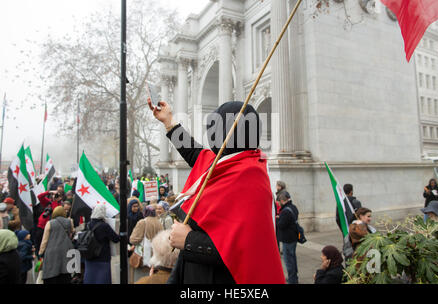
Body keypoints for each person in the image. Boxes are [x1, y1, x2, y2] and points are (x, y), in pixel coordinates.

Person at [148, 98, 285, 284]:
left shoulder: (252, 178)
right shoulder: (225, 162)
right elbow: (194, 153)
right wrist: (169, 122)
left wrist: (189, 239)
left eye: (216, 127)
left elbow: (245, 249)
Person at [83, 204, 120, 284]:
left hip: (89, 256)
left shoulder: (88, 224)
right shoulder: (104, 226)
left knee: (90, 278)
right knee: (102, 279)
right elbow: (116, 239)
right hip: (102, 257)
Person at [38, 206, 74, 284]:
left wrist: (41, 252)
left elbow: (45, 240)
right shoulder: (69, 221)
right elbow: (71, 234)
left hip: (52, 251)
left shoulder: (50, 223)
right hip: (66, 250)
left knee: (52, 273)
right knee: (65, 273)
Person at [276, 192, 299, 284]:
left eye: (279, 201)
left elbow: (281, 225)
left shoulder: (285, 211)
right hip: (293, 237)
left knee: (289, 261)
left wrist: (277, 219)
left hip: (288, 239)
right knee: (293, 258)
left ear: (282, 200)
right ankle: (294, 278)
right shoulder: (293, 207)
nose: (278, 203)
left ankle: (292, 280)